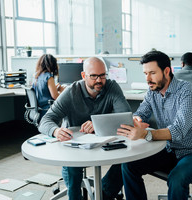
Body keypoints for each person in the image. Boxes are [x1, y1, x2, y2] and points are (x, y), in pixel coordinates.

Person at [117, 51, 192, 200]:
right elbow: (141, 112)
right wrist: (137, 120)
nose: (148, 79)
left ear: (167, 71)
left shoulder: (187, 92)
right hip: (167, 149)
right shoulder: (153, 92)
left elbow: (178, 130)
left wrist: (145, 134)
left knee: (176, 178)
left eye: (152, 73)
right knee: (129, 166)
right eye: (145, 73)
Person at [38, 57, 131, 200]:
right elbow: (45, 120)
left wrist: (98, 123)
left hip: (104, 141)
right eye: (94, 76)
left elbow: (125, 117)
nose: (99, 80)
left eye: (102, 75)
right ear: (83, 76)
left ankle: (103, 194)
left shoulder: (111, 87)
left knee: (126, 161)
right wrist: (56, 131)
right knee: (73, 170)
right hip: (75, 145)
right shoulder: (71, 92)